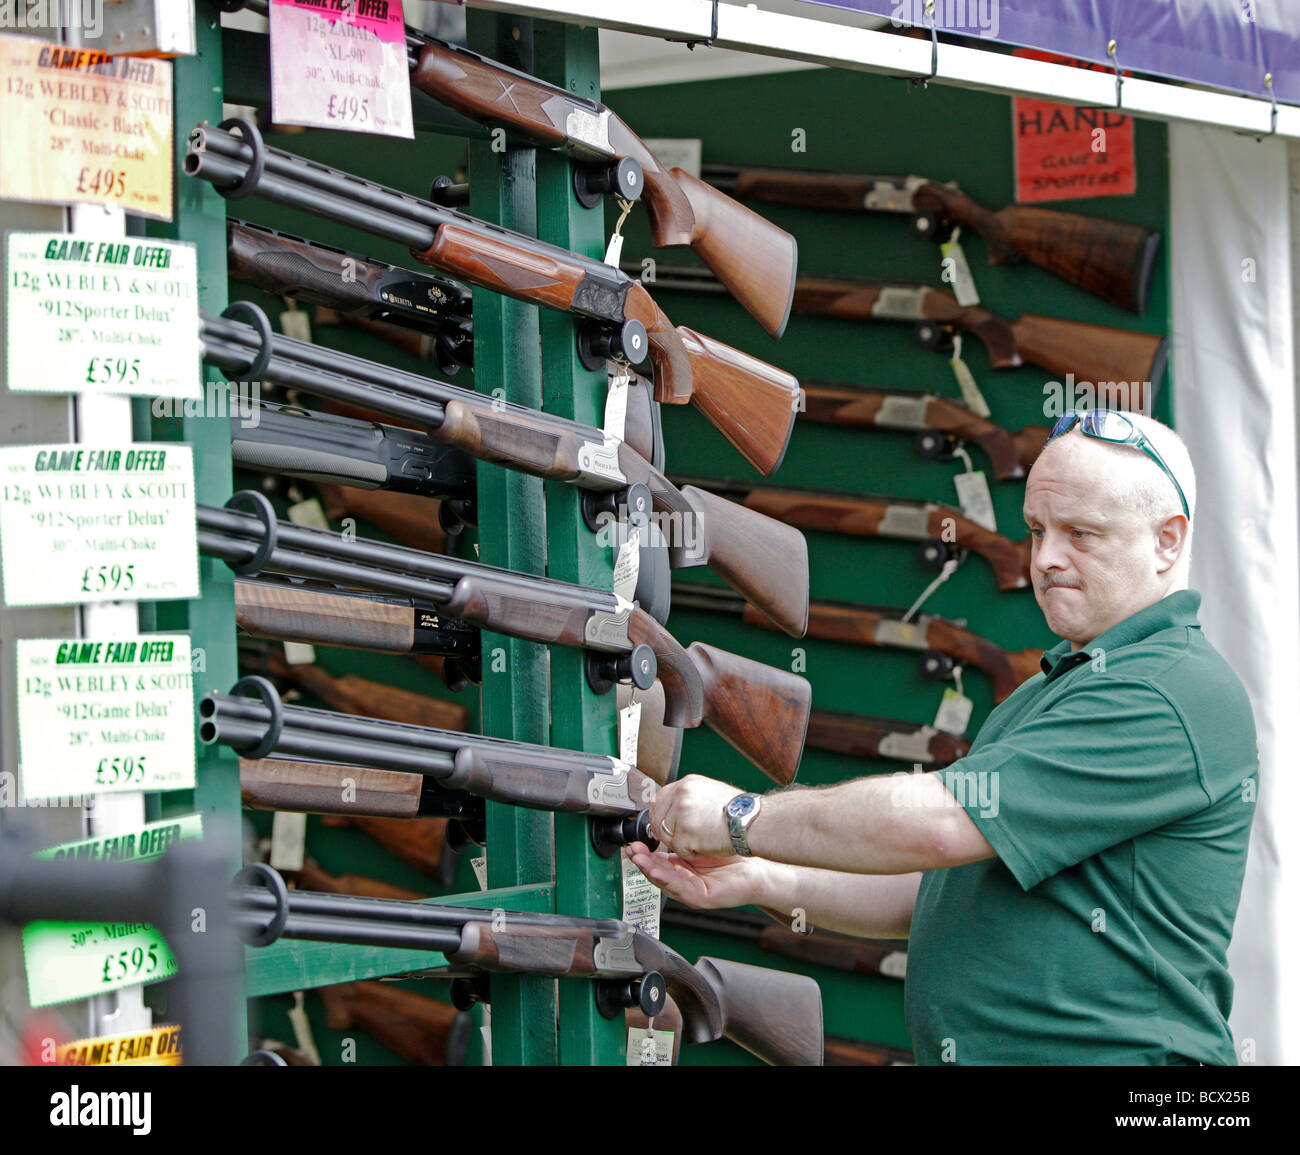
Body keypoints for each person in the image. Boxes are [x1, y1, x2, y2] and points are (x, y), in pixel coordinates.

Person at [628, 410, 1258, 1065]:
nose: (1045, 559)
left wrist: (741, 816)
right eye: (1038, 530)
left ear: (1167, 540)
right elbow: (940, 885)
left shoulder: (1167, 688)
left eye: (1081, 533)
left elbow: (932, 826)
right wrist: (761, 876)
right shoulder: (1062, 685)